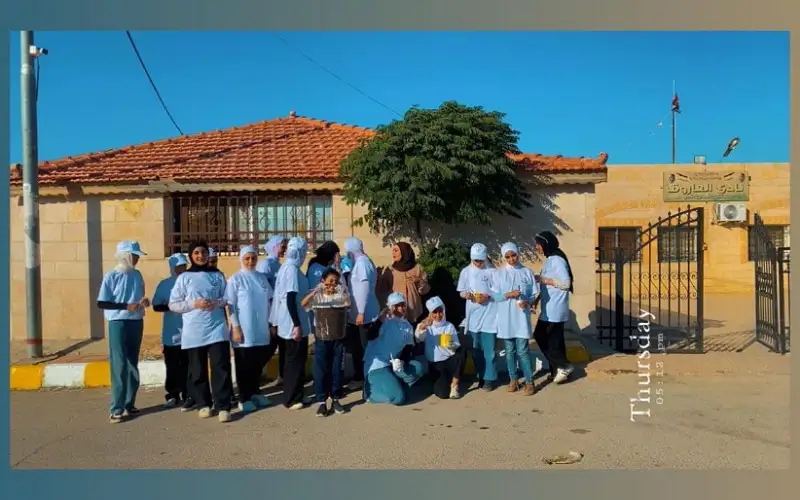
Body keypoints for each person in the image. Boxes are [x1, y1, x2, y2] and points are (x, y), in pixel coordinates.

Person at [168, 241, 234, 423]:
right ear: (191, 256)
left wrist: (216, 302)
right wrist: (194, 304)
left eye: (203, 252)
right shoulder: (184, 278)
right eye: (196, 253)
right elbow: (173, 304)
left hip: (217, 328)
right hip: (194, 330)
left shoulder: (217, 275)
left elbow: (227, 298)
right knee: (197, 370)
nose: (200, 256)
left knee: (221, 367)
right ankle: (204, 403)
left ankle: (223, 406)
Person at [96, 240, 149, 423]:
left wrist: (144, 302)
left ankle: (129, 403)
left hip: (136, 321)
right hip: (118, 321)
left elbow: (140, 295)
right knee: (119, 363)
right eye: (134, 256)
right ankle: (116, 408)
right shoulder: (112, 275)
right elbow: (102, 302)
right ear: (125, 256)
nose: (137, 259)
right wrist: (125, 306)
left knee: (132, 362)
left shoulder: (137, 275)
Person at [226, 246, 275, 413]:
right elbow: (231, 305)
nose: (250, 262)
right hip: (244, 328)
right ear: (241, 259)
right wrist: (236, 327)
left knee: (257, 363)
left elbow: (269, 301)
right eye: (247, 258)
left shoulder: (261, 278)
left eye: (253, 258)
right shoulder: (235, 279)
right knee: (243, 364)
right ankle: (244, 397)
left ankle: (255, 392)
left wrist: (271, 323)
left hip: (260, 327)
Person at [492, 242, 539, 396]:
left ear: (518, 254)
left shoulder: (526, 272)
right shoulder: (499, 274)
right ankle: (513, 380)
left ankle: (530, 382)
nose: (511, 259)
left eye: (513, 255)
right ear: (504, 257)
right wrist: (509, 295)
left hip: (521, 317)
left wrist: (528, 301)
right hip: (506, 318)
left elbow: (534, 294)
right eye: (508, 257)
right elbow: (495, 297)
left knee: (523, 351)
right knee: (509, 351)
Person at [301, 268, 349, 416]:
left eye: (336, 281)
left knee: (337, 370)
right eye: (330, 281)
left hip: (338, 339)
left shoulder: (340, 296)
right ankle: (322, 402)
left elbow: (348, 304)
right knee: (321, 370)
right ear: (323, 281)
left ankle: (336, 399)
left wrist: (342, 291)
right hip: (322, 338)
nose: (332, 284)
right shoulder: (318, 297)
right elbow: (304, 304)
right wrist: (315, 292)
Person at [363, 292, 426, 405]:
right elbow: (370, 336)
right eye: (397, 305)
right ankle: (369, 394)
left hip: (392, 365)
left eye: (403, 305)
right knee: (398, 398)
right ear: (390, 307)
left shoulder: (407, 326)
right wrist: (380, 320)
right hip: (377, 366)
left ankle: (394, 382)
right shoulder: (383, 322)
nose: (401, 308)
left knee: (418, 368)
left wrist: (401, 362)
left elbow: (407, 350)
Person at [273, 237, 313, 410]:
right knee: (294, 361)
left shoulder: (291, 268)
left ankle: (298, 394)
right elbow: (290, 298)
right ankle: (291, 398)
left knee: (298, 359)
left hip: (296, 318)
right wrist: (296, 324)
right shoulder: (290, 269)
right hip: (293, 321)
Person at [533, 231, 575, 384]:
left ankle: (564, 366)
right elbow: (547, 286)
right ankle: (557, 370)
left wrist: (543, 279)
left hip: (555, 308)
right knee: (553, 341)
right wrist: (537, 299)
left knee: (543, 336)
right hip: (550, 308)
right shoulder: (551, 259)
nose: (537, 247)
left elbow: (566, 283)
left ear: (546, 244)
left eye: (539, 244)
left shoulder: (557, 259)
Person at [456, 243, 499, 392]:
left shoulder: (493, 272)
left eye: (481, 260)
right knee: (477, 350)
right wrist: (466, 295)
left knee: (489, 351)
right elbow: (461, 291)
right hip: (474, 317)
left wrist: (488, 296)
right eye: (476, 261)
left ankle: (489, 379)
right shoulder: (466, 272)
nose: (479, 263)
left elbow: (499, 293)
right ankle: (481, 375)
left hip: (490, 315)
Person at [152, 253, 189, 409]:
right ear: (172, 268)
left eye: (183, 266)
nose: (181, 269)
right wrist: (171, 307)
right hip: (171, 333)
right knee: (172, 366)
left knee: (188, 365)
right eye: (178, 267)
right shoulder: (165, 284)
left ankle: (188, 394)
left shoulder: (191, 282)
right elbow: (156, 305)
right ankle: (172, 394)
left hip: (190, 332)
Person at [343, 237, 380, 392]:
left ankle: (366, 379)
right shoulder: (362, 262)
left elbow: (364, 288)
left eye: (348, 251)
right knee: (358, 348)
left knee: (364, 349)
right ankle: (360, 377)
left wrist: (361, 312)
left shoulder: (363, 263)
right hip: (359, 314)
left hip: (364, 314)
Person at [415, 296, 465, 399]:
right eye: (434, 312)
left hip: (448, 360)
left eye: (440, 311)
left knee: (461, 352)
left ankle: (454, 384)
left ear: (444, 310)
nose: (438, 315)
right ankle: (442, 380)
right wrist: (423, 327)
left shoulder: (449, 326)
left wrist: (450, 344)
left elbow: (456, 347)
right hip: (435, 364)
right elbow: (418, 338)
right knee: (442, 394)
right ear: (430, 313)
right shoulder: (425, 326)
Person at [376, 242, 431, 325]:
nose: (393, 253)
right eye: (393, 250)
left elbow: (425, 290)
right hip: (397, 312)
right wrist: (378, 277)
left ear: (404, 252)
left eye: (396, 250)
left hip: (415, 311)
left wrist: (419, 281)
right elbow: (382, 289)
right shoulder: (390, 270)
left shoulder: (417, 268)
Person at [259, 236, 289, 386]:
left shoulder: (279, 265)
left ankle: (283, 375)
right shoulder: (266, 265)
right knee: (270, 345)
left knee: (283, 343)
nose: (284, 250)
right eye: (283, 247)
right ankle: (254, 373)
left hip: (281, 310)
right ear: (274, 247)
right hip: (271, 311)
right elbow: (263, 289)